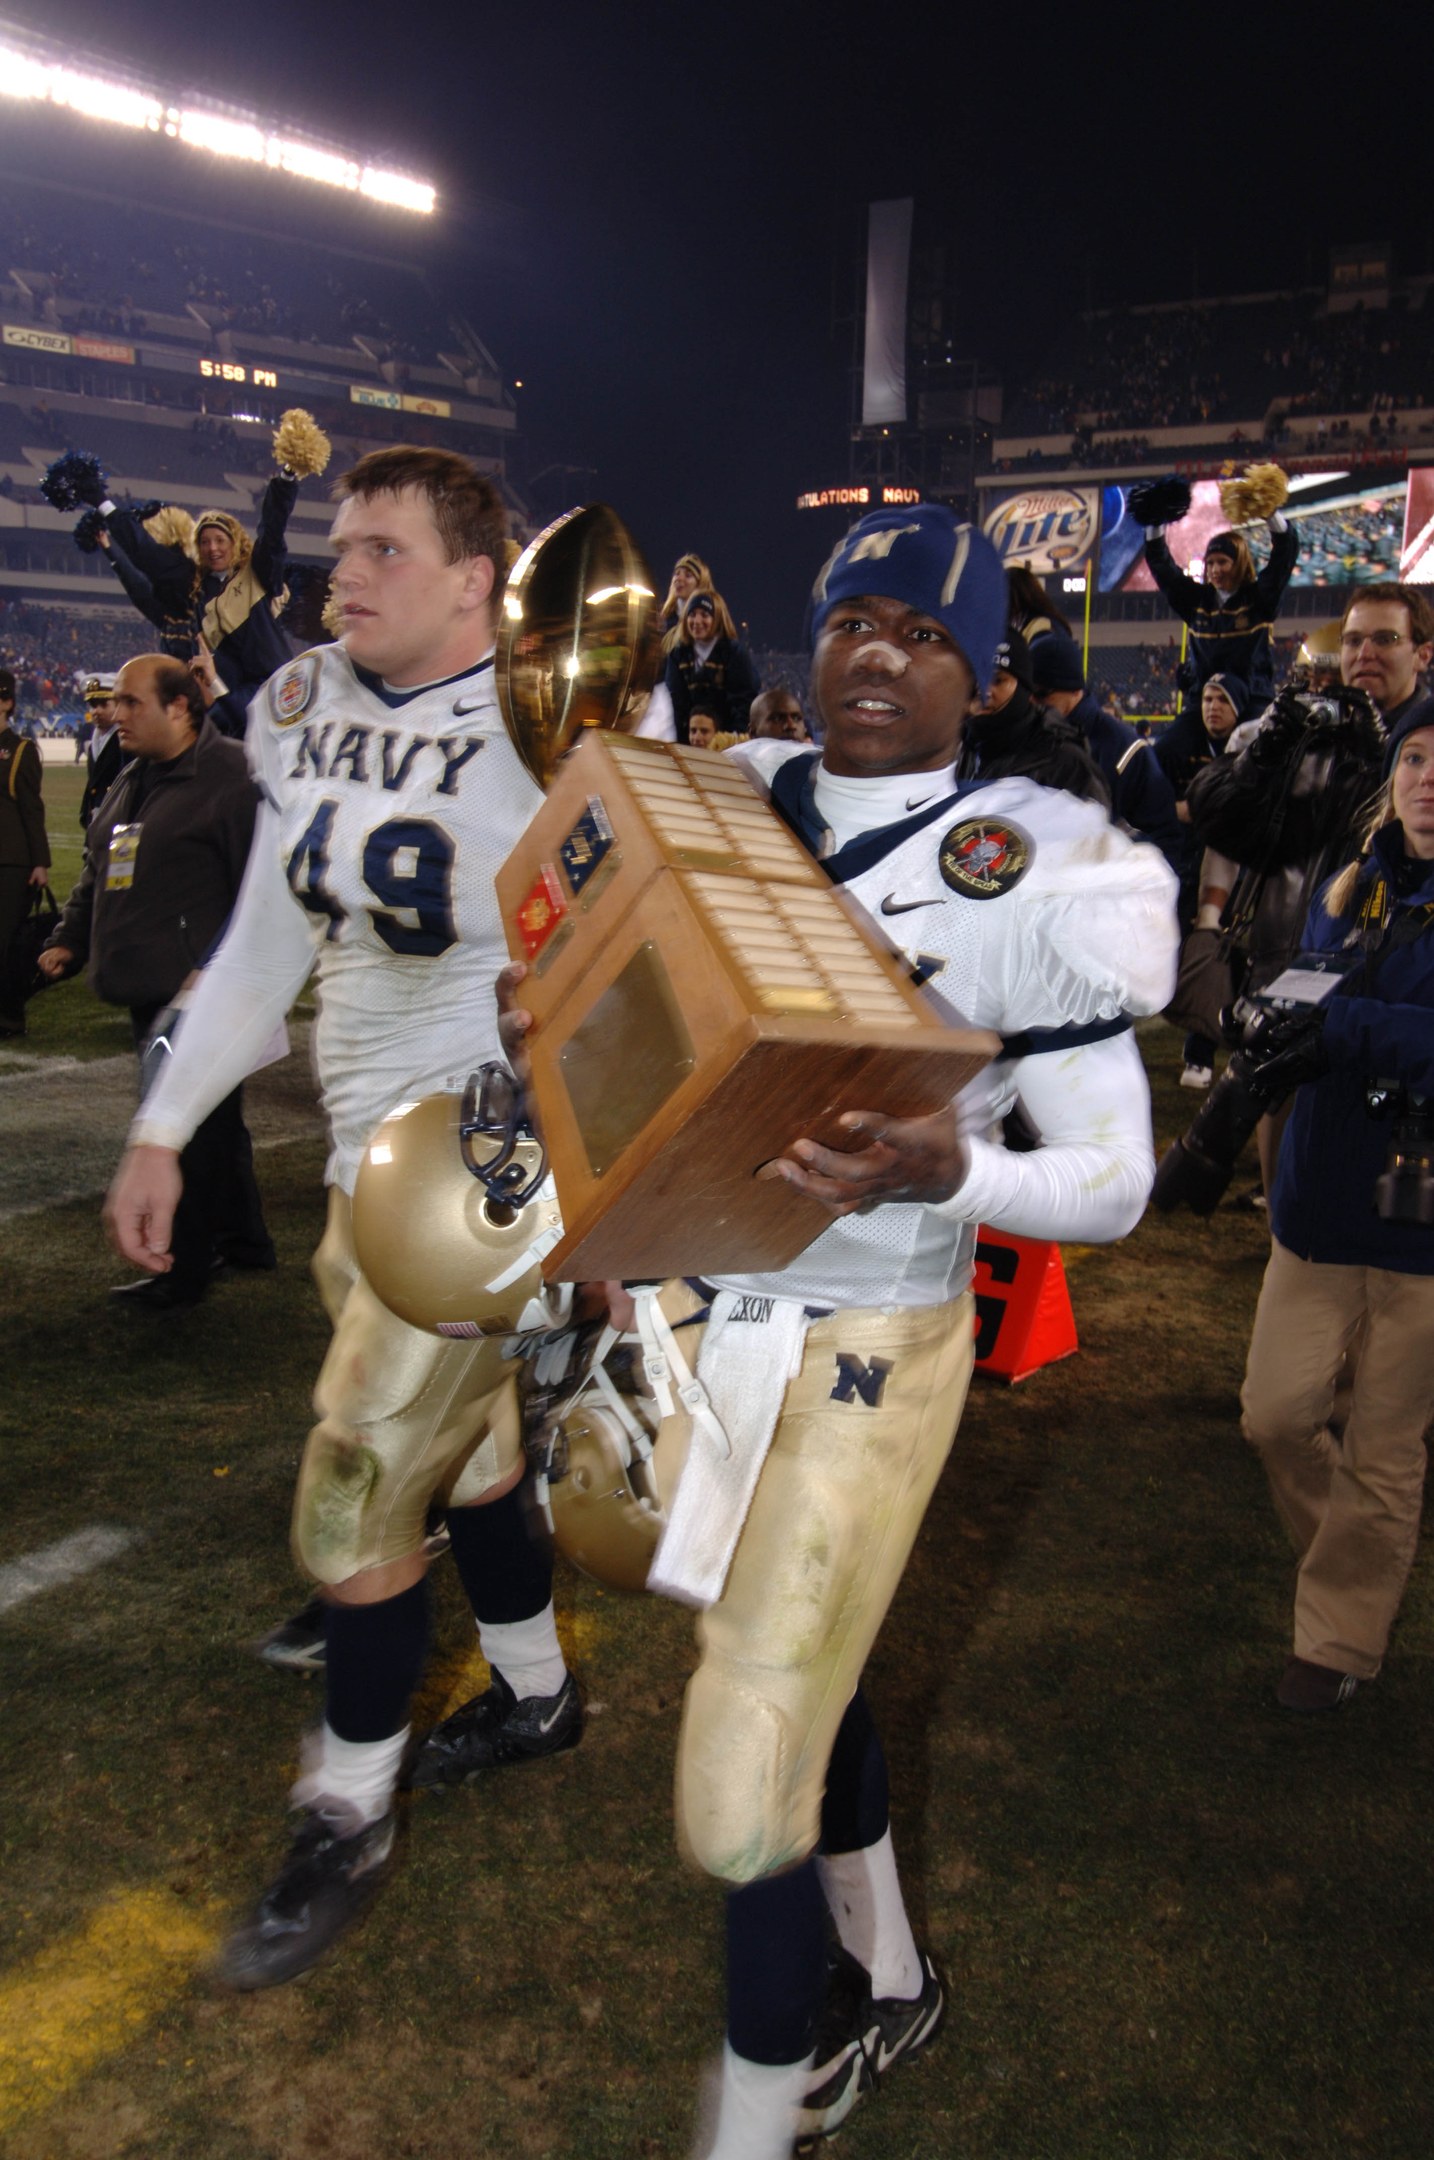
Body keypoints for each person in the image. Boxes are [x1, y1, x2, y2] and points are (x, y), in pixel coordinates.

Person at [503, 504, 1178, 2157]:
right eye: (853, 621)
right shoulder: (720, 797)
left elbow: (1113, 1180)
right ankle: (884, 1976)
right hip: (697, 1302)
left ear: (987, 671)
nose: (877, 654)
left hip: (874, 1330)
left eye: (922, 633)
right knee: (808, 1670)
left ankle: (752, 2124)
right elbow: (593, 995)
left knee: (742, 1772)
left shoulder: (1044, 866)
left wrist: (957, 1169)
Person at [103, 447, 581, 1988]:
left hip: (482, 1159)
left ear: (472, 583)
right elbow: (265, 935)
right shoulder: (296, 700)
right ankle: (534, 1687)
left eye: (382, 550)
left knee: (363, 1478)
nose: (341, 574)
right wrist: (166, 1123)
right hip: (356, 1152)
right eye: (343, 547)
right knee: (478, 1453)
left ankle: (344, 1806)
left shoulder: (545, 722)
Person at [1238, 709, 1434, 1710]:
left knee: (1389, 1446)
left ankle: (1341, 1639)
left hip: (1422, 1225)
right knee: (1275, 1416)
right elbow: (1313, 993)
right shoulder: (1350, 883)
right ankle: (1353, 1567)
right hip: (1318, 1200)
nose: (1426, 776)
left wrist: (1336, 1025)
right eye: (1414, 755)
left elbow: (1370, 1024)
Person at [37, 655, 273, 1305]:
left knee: (184, 1130)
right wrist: (69, 939)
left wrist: (217, 969)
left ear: (180, 707)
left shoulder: (230, 778)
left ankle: (184, 1268)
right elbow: (99, 863)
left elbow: (258, 892)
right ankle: (246, 1241)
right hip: (148, 983)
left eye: (131, 702)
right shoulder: (134, 777)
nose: (116, 714)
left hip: (197, 991)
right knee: (214, 1122)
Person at [1030, 632, 1184, 872]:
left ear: (1074, 690)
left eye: (1042, 694)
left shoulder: (1126, 748)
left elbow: (1163, 840)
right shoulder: (1028, 737)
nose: (1032, 702)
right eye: (1027, 693)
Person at [1138, 492, 1299, 713]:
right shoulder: (1197, 602)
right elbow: (1163, 569)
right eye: (1210, 563)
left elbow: (1283, 557)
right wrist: (1155, 524)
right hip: (1204, 704)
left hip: (1251, 701)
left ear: (1240, 563)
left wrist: (1270, 512)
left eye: (1223, 562)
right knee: (1168, 747)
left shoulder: (1259, 599)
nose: (1215, 570)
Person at [957, 629, 1109, 803]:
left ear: (1023, 688)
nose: (984, 691)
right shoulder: (955, 748)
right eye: (976, 678)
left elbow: (1092, 829)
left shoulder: (1064, 763)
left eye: (998, 680)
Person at [0, 667, 51, 1040]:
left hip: (10, 861)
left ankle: (10, 1017)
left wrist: (39, 863)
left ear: (7, 702)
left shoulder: (19, 751)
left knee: (5, 943)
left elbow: (31, 808)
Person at [665, 589, 762, 743]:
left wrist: (732, 742)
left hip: (727, 743)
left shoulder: (733, 653)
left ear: (716, 618)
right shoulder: (677, 655)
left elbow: (743, 703)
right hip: (690, 742)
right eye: (692, 614)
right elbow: (676, 705)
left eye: (704, 615)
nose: (697, 621)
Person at [79, 672, 123, 828]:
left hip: (118, 818)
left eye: (103, 704)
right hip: (97, 819)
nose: (96, 711)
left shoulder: (125, 740)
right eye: (93, 705)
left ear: (118, 704)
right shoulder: (95, 741)